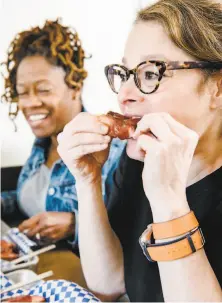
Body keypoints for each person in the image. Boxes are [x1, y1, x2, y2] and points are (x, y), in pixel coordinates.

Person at [57, 0, 222, 301]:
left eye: (150, 74)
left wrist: (169, 202)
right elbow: (108, 284)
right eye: (126, 73)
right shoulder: (135, 161)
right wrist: (88, 181)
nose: (124, 95)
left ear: (217, 88)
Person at [1, 19, 125, 247]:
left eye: (43, 90)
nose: (30, 103)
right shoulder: (42, 146)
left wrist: (73, 224)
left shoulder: (110, 148)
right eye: (22, 93)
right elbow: (30, 200)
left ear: (75, 87)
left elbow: (131, 225)